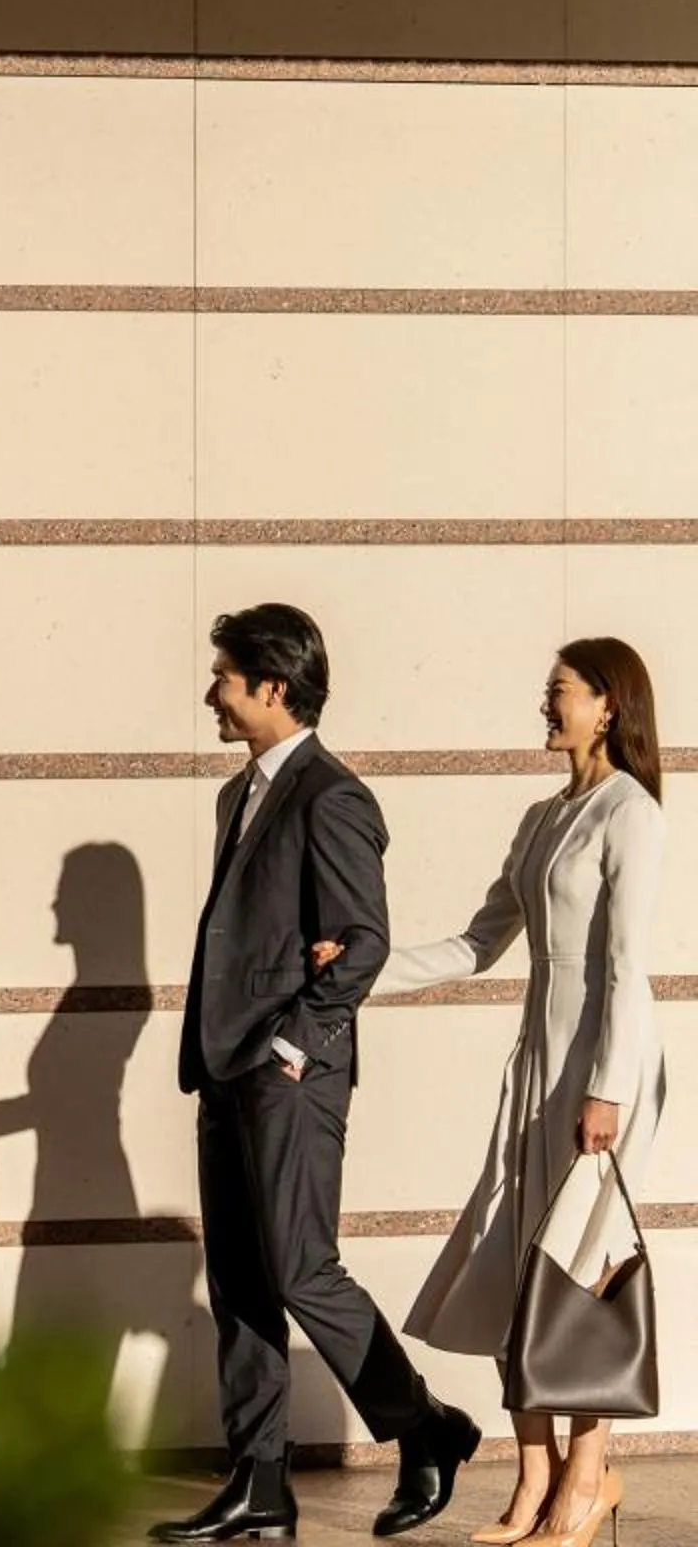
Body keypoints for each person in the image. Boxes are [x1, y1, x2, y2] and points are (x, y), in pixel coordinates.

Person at [319, 639, 666, 1547]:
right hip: (535, 1067)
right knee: (519, 1262)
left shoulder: (631, 814)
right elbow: (478, 945)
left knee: (582, 1274)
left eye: (560, 692)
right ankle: (535, 1478)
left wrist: (610, 1089)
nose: (545, 705)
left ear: (608, 705)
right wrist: (359, 971)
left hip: (602, 1070)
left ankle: (590, 1477)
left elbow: (630, 970)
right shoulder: (544, 816)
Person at [154, 604, 479, 1544]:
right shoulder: (240, 794)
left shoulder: (332, 796)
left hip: (289, 1070)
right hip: (224, 1066)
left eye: (223, 675)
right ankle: (259, 1482)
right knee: (242, 1284)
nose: (210, 691)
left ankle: (424, 1425)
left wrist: (294, 1039)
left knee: (301, 1270)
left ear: (273, 687)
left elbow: (363, 943)